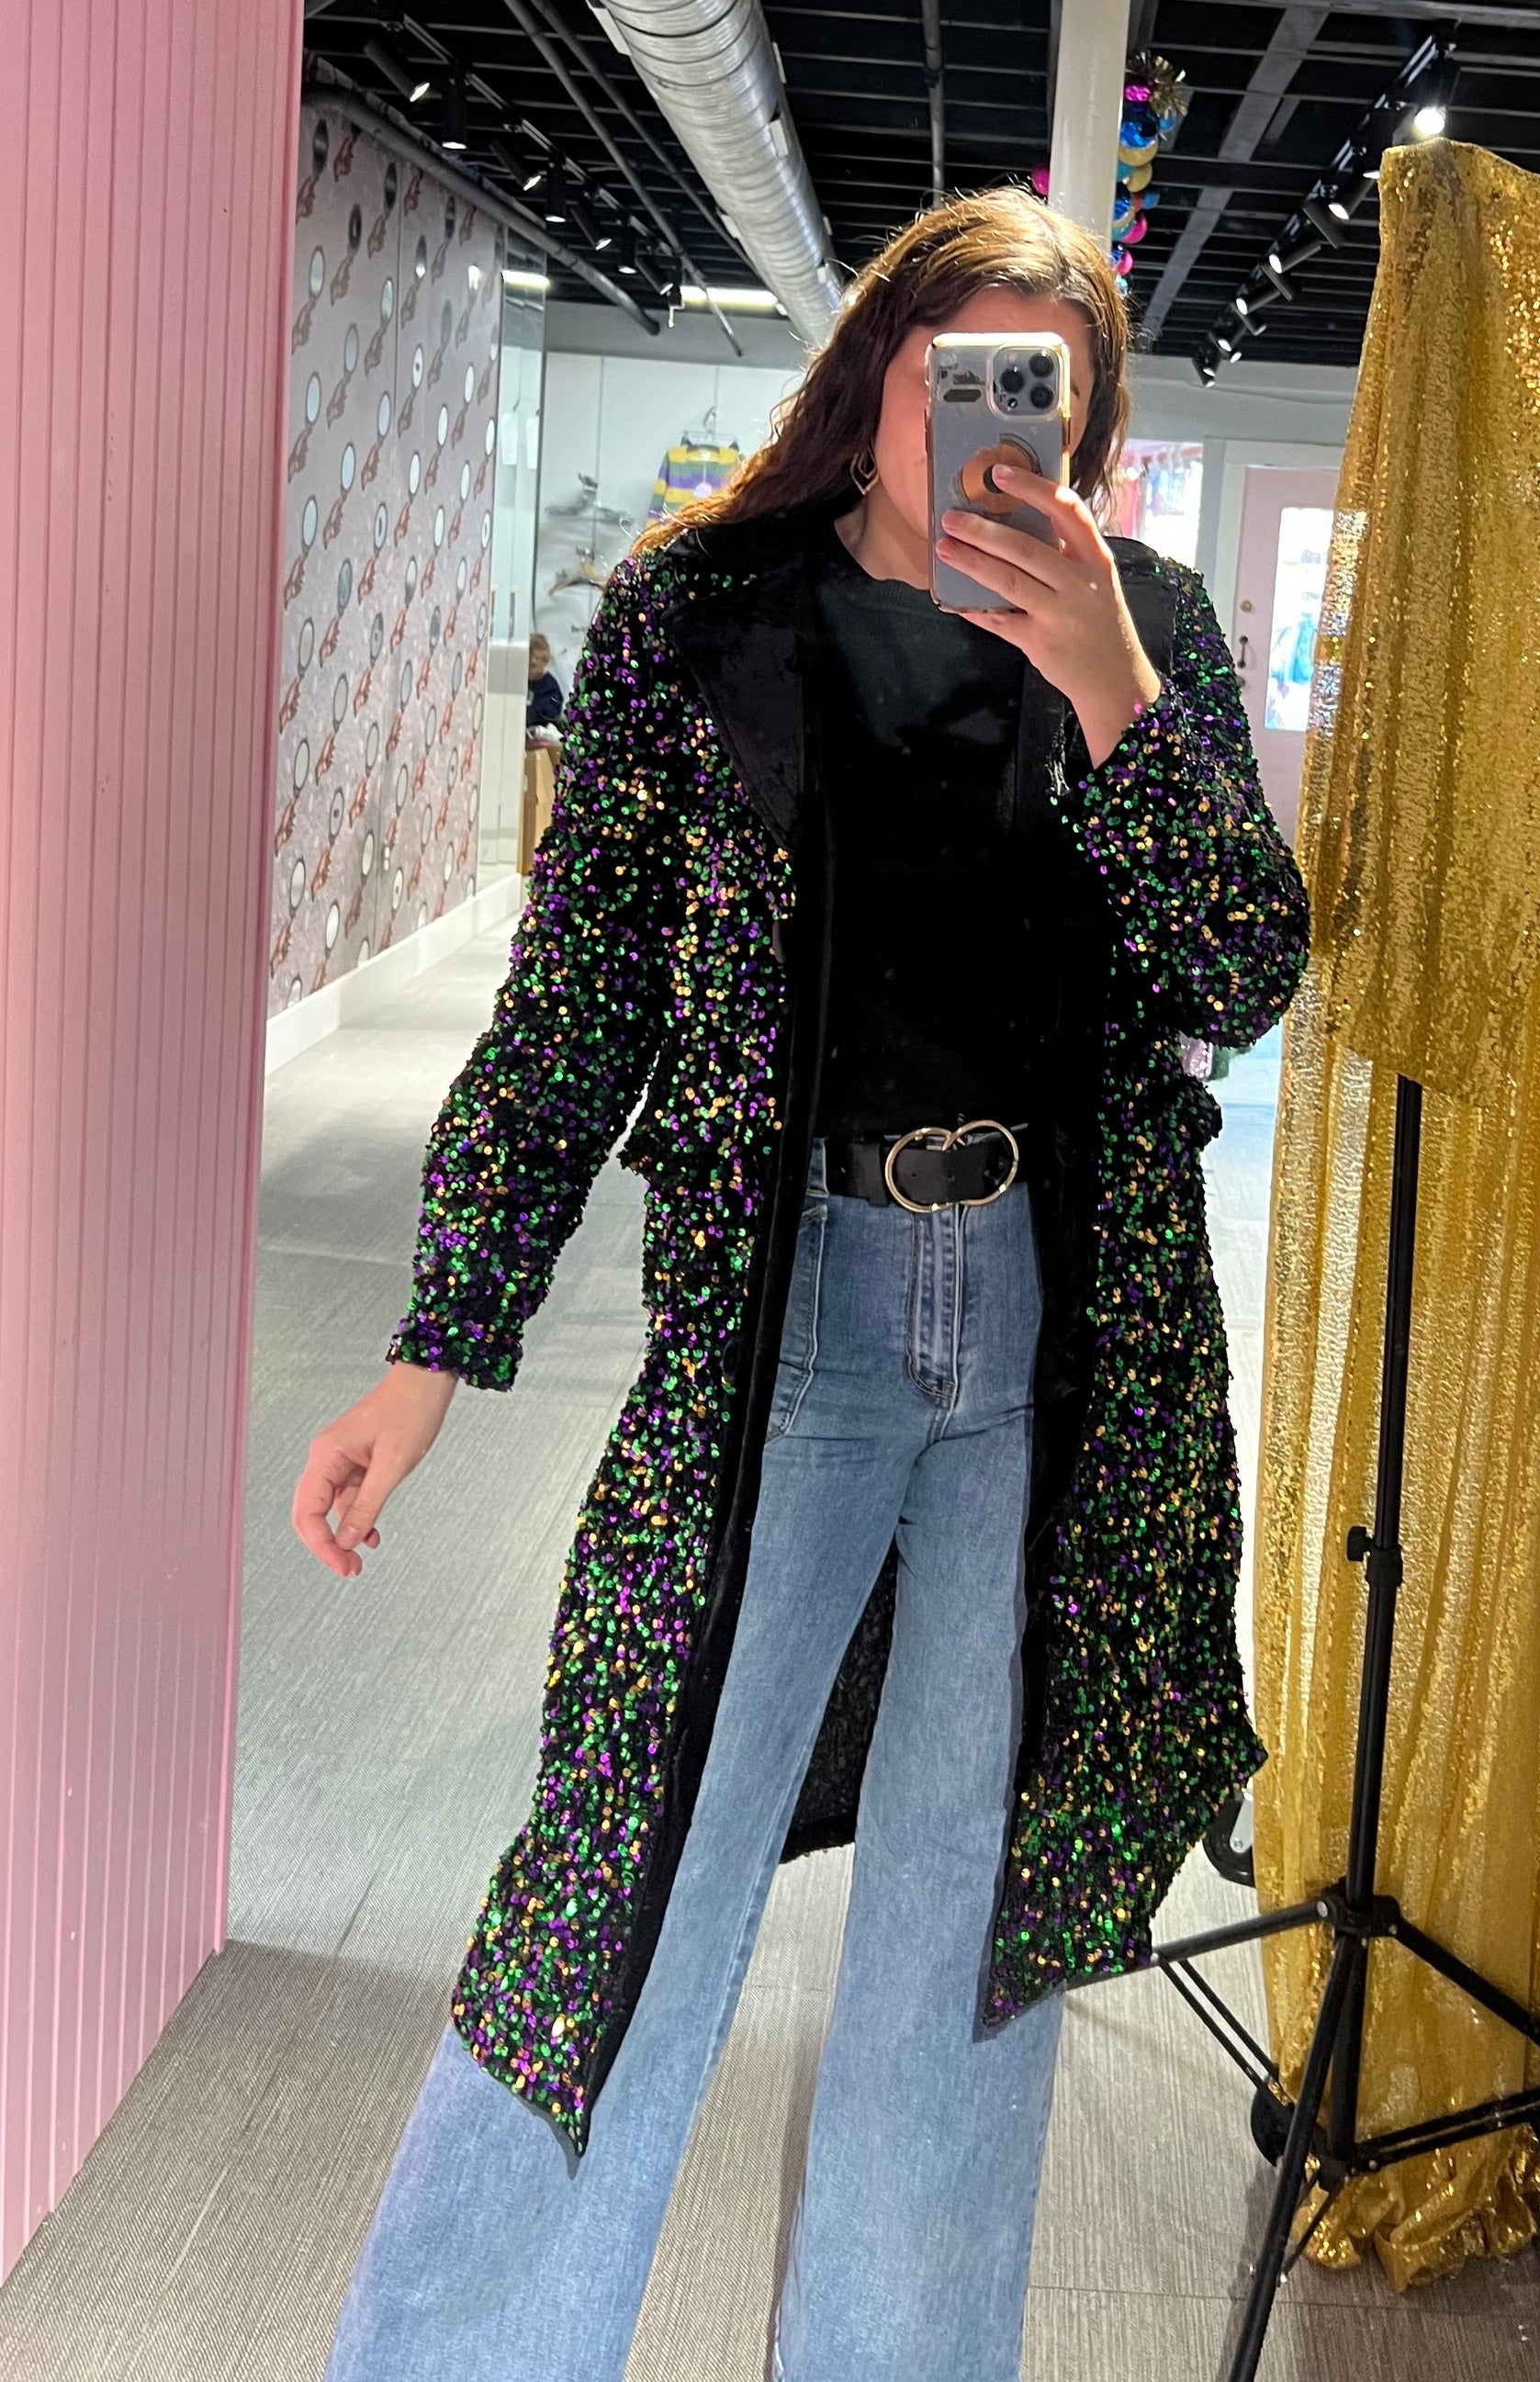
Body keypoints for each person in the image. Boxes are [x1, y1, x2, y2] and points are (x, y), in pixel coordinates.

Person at [296, 185, 1308, 2382]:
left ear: (1086, 428)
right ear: (873, 382)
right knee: (620, 1890)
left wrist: (1114, 691)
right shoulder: (699, 619)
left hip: (1053, 1346)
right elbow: (577, 1003)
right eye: (958, 378)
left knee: (968, 1942)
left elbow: (1244, 970)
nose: (992, 432)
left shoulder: (1141, 629)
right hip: (793, 1326)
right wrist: (430, 1346)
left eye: (1044, 397)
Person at [525, 629, 563, 731]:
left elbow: (550, 714)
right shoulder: (524, 681)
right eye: (525, 664)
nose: (528, 670)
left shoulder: (550, 688)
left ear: (545, 662)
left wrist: (528, 714)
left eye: (533, 666)